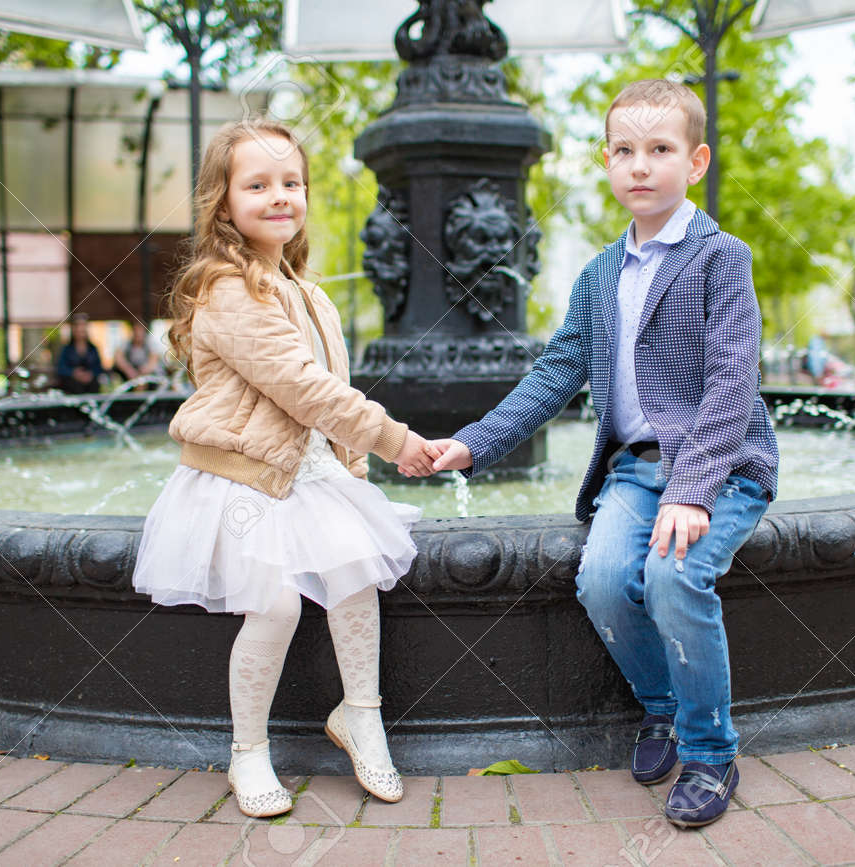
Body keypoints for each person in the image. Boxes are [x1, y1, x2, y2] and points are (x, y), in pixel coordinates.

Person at [422, 80, 778, 829]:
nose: (640, 165)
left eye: (660, 150)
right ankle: (662, 708)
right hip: (634, 471)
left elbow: (731, 384)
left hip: (719, 467)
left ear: (696, 160)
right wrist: (473, 441)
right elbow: (555, 373)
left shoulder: (721, 258)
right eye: (624, 151)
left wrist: (693, 489)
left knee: (674, 572)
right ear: (607, 161)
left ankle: (711, 750)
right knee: (606, 579)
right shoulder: (599, 275)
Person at [130, 118, 441, 819]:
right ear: (224, 200)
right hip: (242, 475)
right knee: (276, 602)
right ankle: (247, 750)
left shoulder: (308, 290)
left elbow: (336, 380)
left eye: (291, 182)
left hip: (307, 472)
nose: (280, 196)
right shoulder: (227, 288)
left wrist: (356, 467)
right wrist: (395, 438)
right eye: (258, 183)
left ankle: (361, 713)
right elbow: (301, 385)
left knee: (356, 570)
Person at [55, 314, 104, 394]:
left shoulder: (92, 349)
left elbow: (99, 368)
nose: (80, 329)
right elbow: (61, 368)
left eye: (83, 325)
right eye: (78, 326)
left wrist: (90, 374)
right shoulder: (66, 349)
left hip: (91, 386)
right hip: (72, 387)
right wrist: (74, 373)